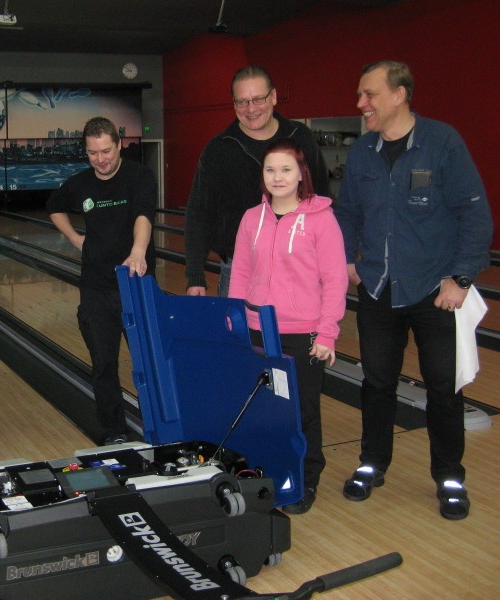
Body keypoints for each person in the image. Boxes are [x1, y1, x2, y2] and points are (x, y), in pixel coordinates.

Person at [335, 61, 492, 520]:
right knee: (377, 383)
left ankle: (449, 476)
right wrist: (348, 259)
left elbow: (474, 214)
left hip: (432, 291)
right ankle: (372, 463)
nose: (361, 104)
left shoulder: (443, 143)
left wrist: (461, 278)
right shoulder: (363, 151)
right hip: (378, 288)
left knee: (443, 390)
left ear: (400, 94)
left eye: (369, 95)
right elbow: (347, 212)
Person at [229, 138, 348, 514]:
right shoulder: (252, 217)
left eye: (286, 169)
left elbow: (335, 280)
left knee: (302, 411)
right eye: (270, 170)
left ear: (301, 175)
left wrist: (327, 332)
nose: (277, 177)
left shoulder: (321, 220)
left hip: (303, 332)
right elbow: (241, 273)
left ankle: (304, 479)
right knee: (261, 407)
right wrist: (233, 322)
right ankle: (263, 472)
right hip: (255, 328)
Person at [46, 116, 157, 445]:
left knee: (148, 362)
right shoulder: (80, 184)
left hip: (135, 283)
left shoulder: (139, 176)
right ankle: (114, 433)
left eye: (106, 151)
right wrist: (74, 238)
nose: (101, 159)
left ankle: (160, 423)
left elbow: (144, 214)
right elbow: (54, 206)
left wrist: (138, 251)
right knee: (104, 365)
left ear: (119, 144)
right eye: (93, 153)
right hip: (95, 287)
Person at [184, 65, 330, 297]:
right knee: (240, 333)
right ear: (233, 103)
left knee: (293, 333)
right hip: (240, 268)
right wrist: (195, 275)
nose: (250, 109)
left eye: (258, 99)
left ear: (273, 97)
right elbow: (200, 212)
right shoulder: (219, 149)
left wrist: (327, 263)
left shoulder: (300, 137)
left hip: (299, 265)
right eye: (242, 102)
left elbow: (321, 197)